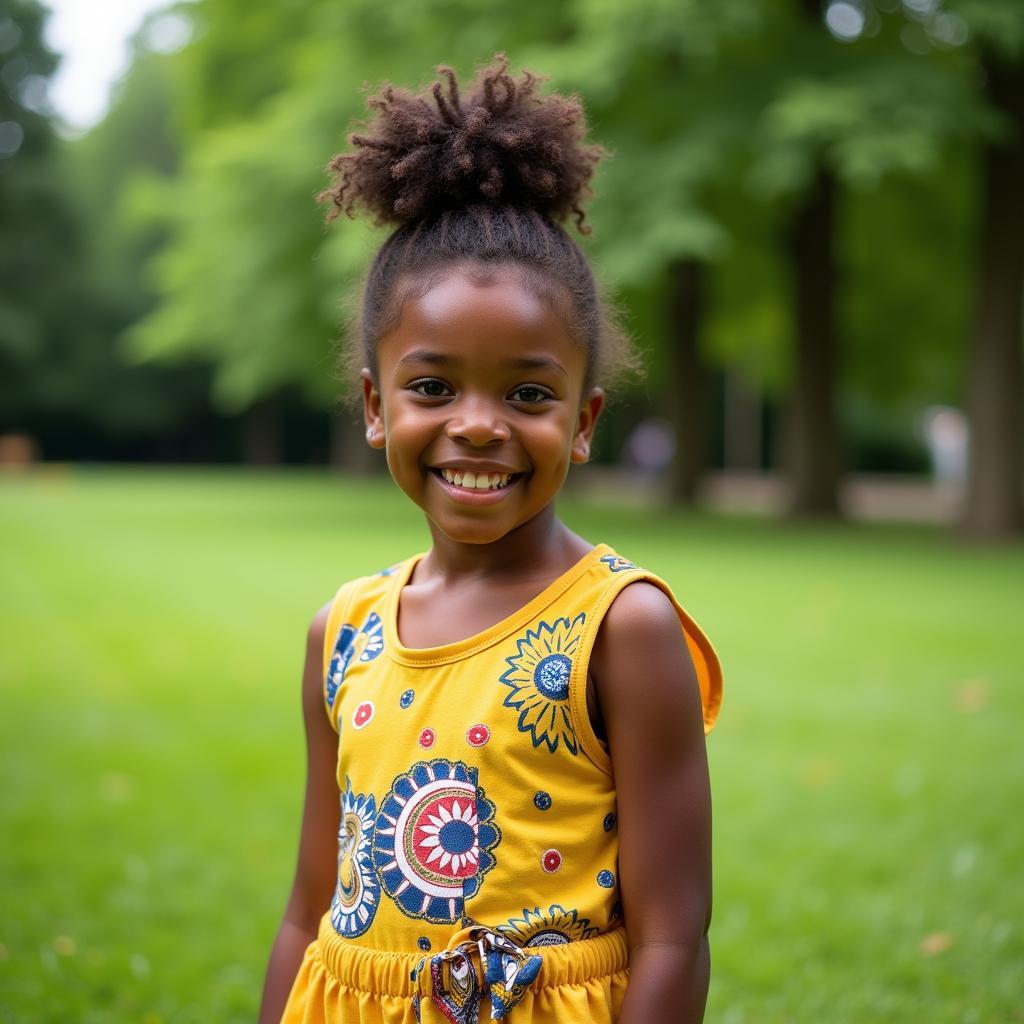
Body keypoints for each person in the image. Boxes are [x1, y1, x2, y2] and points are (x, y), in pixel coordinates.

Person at [259, 55, 723, 1024]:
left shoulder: (621, 626)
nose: (477, 425)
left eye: (527, 393)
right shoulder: (339, 630)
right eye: (432, 388)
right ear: (375, 407)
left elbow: (674, 935)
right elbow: (309, 911)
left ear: (584, 419)